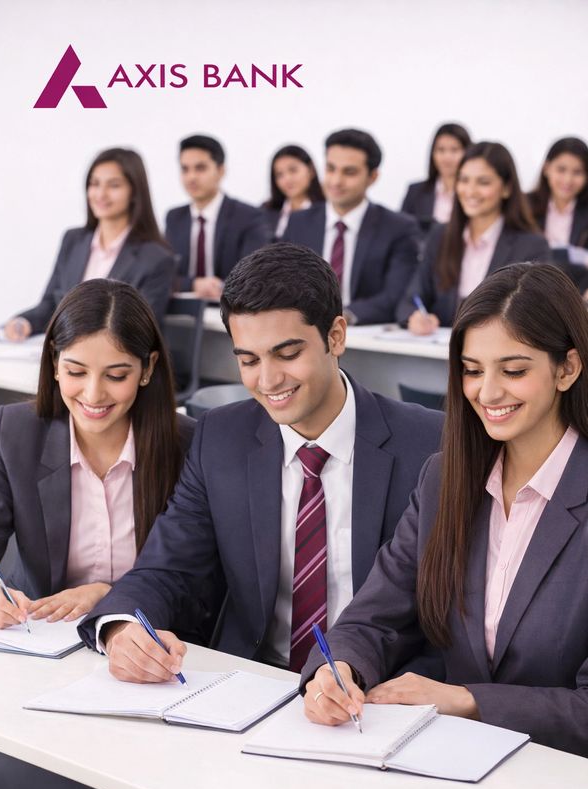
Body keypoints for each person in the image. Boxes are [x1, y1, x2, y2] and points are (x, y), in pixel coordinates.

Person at [78, 243, 443, 681]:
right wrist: (122, 629)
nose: (268, 380)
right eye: (249, 360)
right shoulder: (220, 438)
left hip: (377, 688)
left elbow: (444, 616)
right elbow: (168, 568)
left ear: (335, 336)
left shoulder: (428, 444)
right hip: (253, 683)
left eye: (287, 354)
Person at [302, 262, 588, 758]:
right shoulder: (444, 478)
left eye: (514, 371)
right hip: (445, 760)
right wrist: (340, 668)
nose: (487, 392)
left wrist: (468, 701)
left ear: (567, 368)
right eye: (472, 370)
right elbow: (374, 618)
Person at [0, 279, 195, 629]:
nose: (94, 394)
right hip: (41, 632)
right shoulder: (16, 431)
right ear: (55, 363)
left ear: (147, 369)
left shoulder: (188, 444)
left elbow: (195, 581)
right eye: (76, 372)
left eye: (116, 375)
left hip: (144, 637)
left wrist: (109, 594)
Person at [4, 148, 174, 335]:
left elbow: (141, 331)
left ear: (134, 192)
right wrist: (24, 322)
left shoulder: (156, 258)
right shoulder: (72, 240)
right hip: (65, 350)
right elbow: (51, 304)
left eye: (114, 185)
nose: (101, 194)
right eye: (94, 184)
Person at [397, 142, 550, 333]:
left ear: (506, 188)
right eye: (464, 180)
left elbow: (535, 315)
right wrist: (415, 317)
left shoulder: (531, 245)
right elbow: (410, 299)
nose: (470, 191)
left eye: (483, 182)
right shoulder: (440, 236)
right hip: (440, 347)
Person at [283, 128, 420, 325]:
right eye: (330, 169)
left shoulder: (398, 228)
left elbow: (395, 295)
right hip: (306, 328)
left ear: (373, 177)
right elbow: (284, 283)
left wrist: (344, 315)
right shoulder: (299, 223)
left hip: (363, 333)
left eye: (349, 172)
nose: (336, 181)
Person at [164, 134, 268, 301]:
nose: (191, 177)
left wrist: (219, 288)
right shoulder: (174, 218)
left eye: (200, 168)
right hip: (180, 309)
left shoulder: (248, 217)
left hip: (229, 308)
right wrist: (194, 284)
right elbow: (163, 276)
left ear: (221, 171)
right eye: (185, 169)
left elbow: (254, 277)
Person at [527, 137, 588, 293]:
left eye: (577, 172)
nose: (568, 180)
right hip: (529, 290)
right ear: (547, 168)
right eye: (561, 169)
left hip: (577, 293)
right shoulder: (525, 206)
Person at [401, 122, 472, 234]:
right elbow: (401, 231)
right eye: (441, 150)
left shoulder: (474, 193)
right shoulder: (415, 191)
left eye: (454, 150)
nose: (447, 157)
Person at [262, 145, 325, 240]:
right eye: (279, 174)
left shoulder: (327, 210)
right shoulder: (266, 211)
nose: (287, 179)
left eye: (293, 170)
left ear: (311, 170)